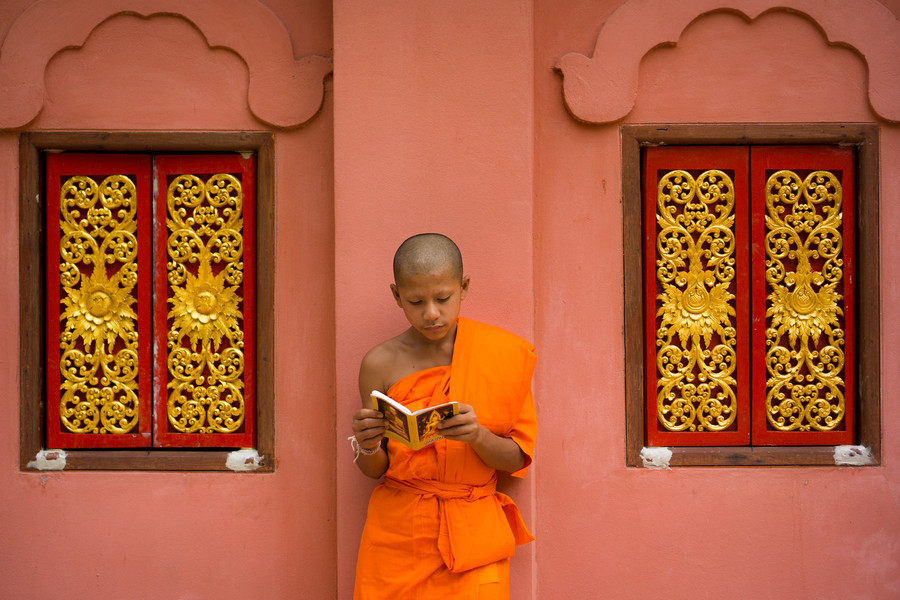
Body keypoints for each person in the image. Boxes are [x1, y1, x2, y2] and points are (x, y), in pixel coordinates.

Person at [350, 233, 536, 599]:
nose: (431, 313)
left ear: (464, 287)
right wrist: (367, 445)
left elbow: (518, 458)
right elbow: (375, 469)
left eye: (443, 298)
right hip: (397, 536)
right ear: (396, 295)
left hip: (472, 534)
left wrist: (477, 436)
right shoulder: (379, 363)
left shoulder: (501, 354)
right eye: (416, 301)